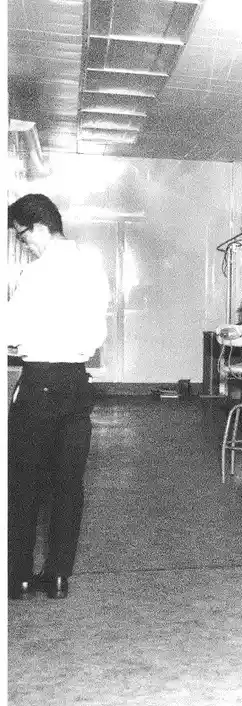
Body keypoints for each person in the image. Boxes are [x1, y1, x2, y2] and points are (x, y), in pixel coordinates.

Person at [7, 193, 109, 601]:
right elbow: (97, 334)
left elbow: (11, 333)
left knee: (24, 485)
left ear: (40, 227)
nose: (23, 244)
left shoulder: (36, 274)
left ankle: (18, 578)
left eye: (22, 235)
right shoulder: (93, 268)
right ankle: (59, 577)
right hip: (77, 388)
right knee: (69, 485)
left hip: (39, 384)